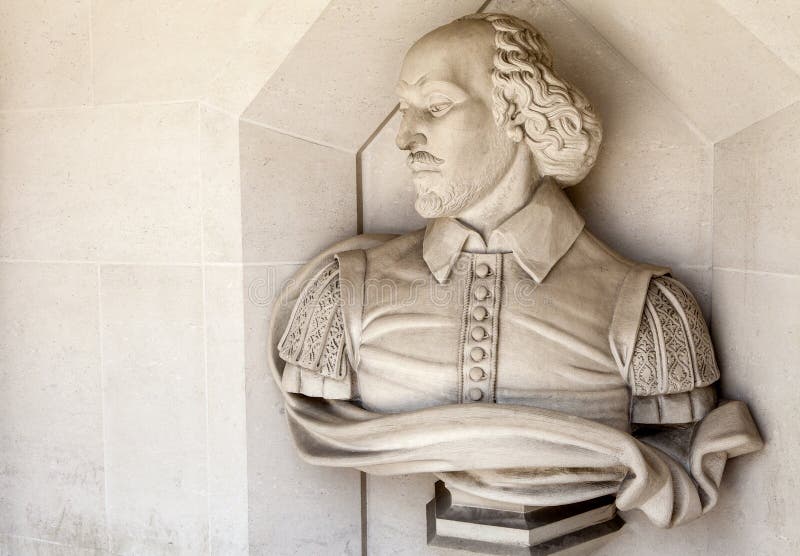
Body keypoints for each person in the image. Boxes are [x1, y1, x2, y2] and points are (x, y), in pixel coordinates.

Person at [268, 12, 761, 531]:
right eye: (404, 111)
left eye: (435, 107)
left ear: (523, 116)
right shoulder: (345, 291)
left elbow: (679, 436)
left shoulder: (649, 310)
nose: (405, 138)